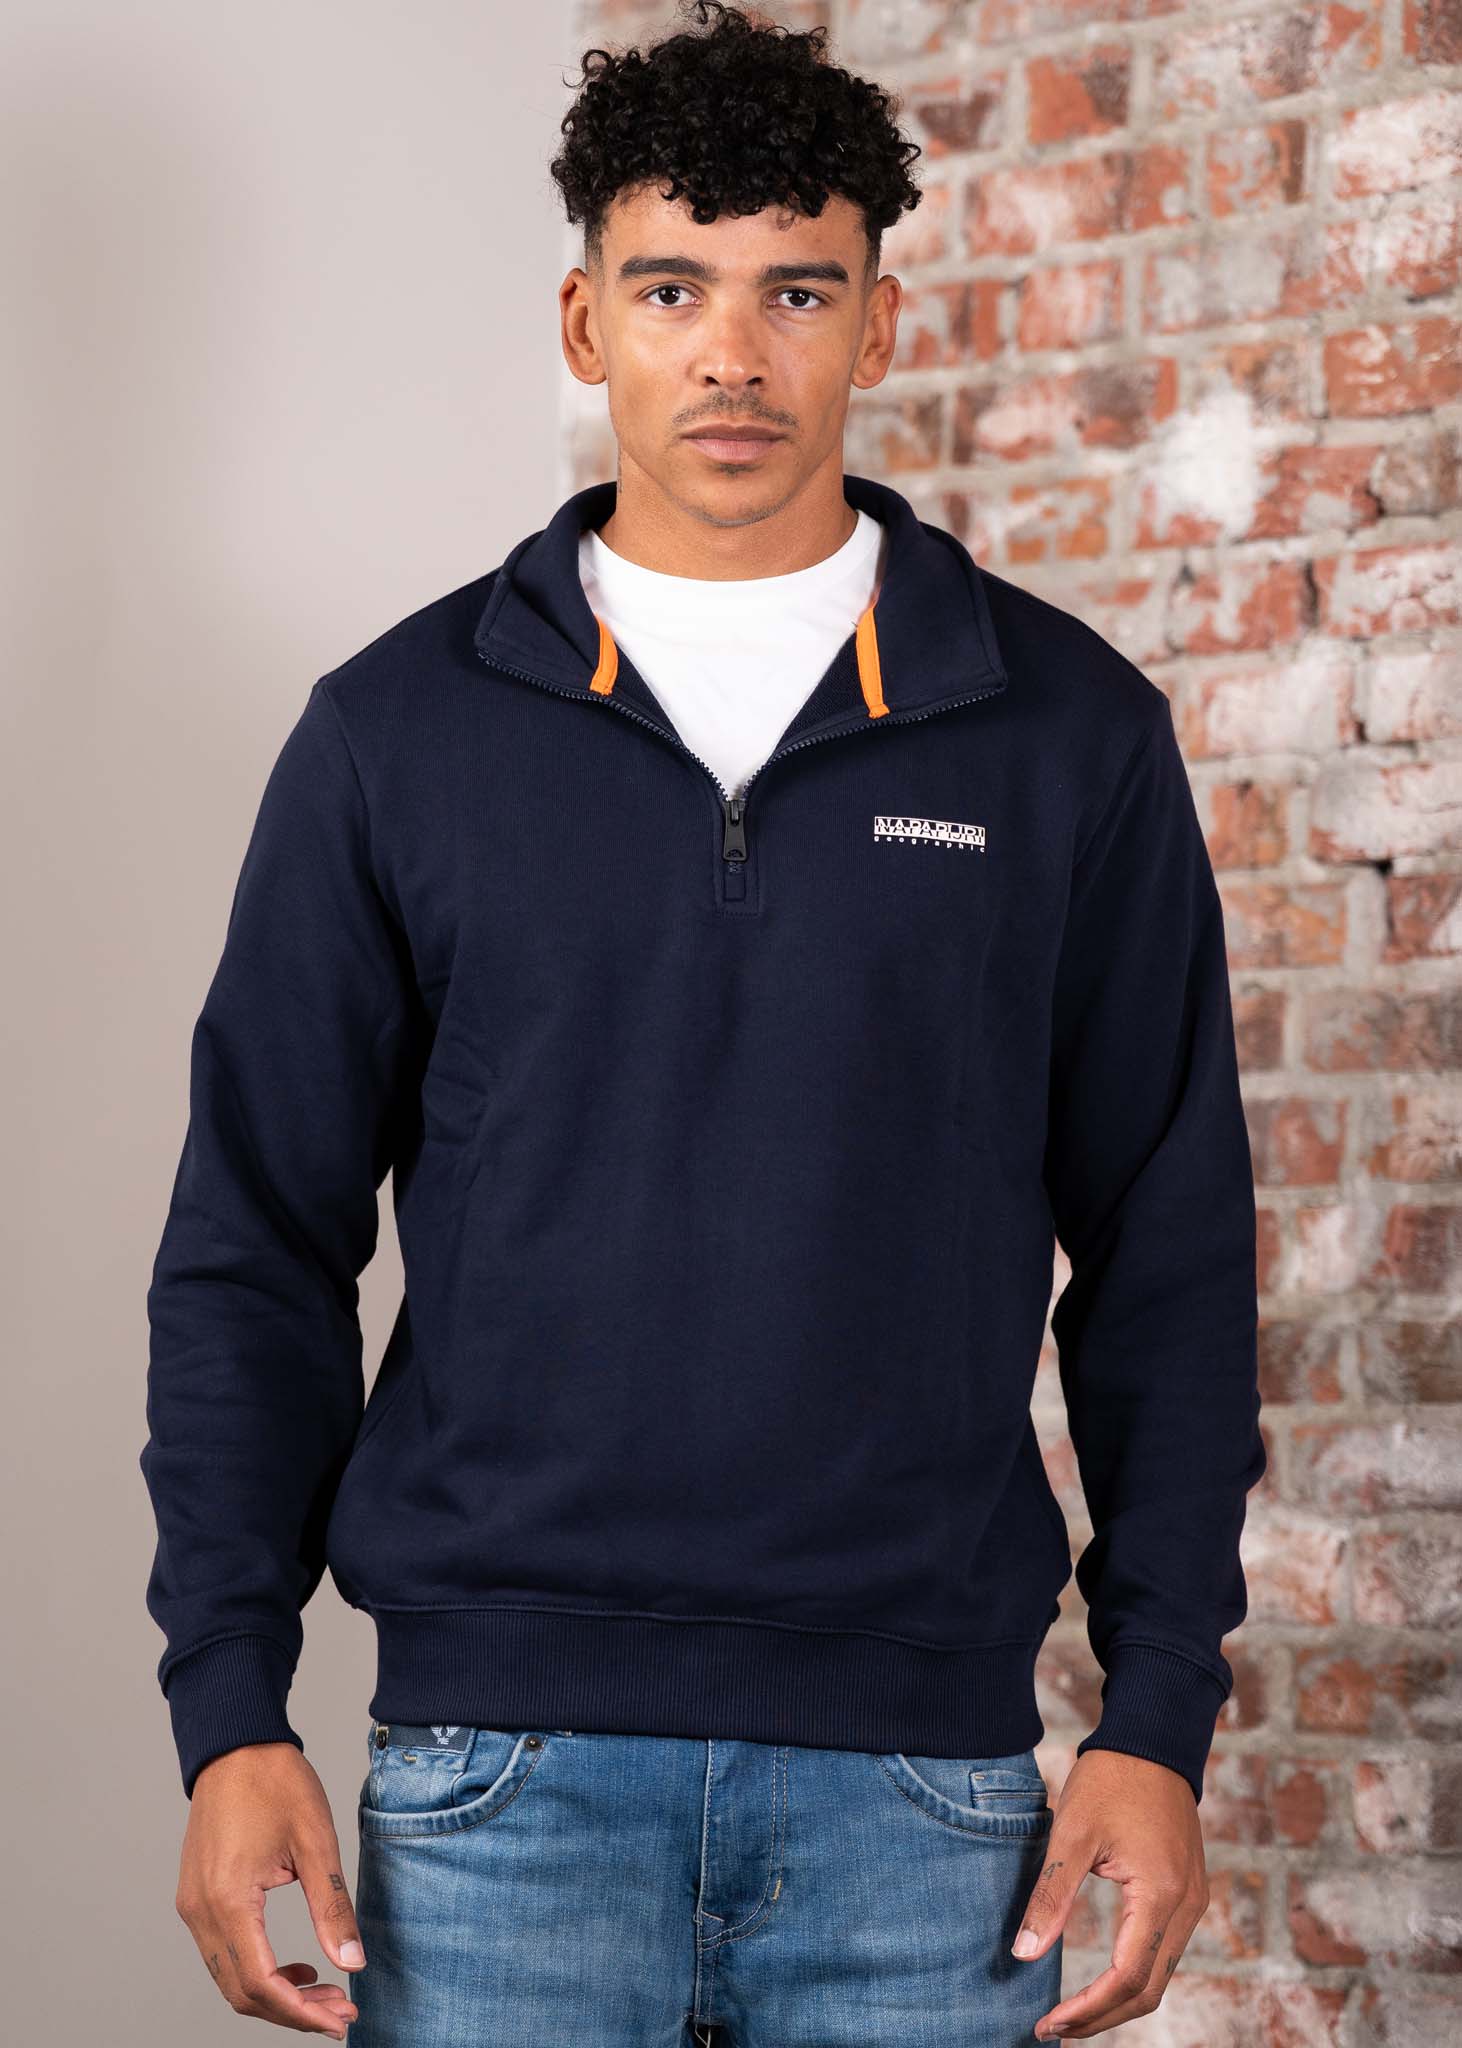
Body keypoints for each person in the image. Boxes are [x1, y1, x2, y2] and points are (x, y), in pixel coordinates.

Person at [139, 5, 1266, 2043]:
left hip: (924, 1797)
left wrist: (1156, 1716)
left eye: (793, 292)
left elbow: (1166, 1257)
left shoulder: (1064, 737)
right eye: (672, 289)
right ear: (587, 323)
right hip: (496, 1786)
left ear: (875, 323)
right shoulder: (395, 735)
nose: (732, 355)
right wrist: (231, 1707)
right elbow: (256, 1244)